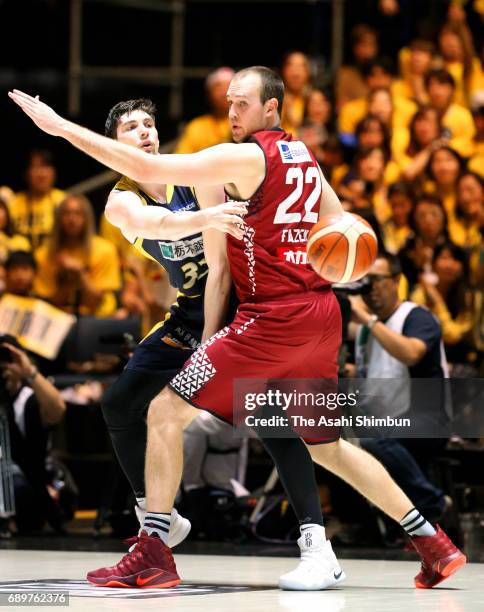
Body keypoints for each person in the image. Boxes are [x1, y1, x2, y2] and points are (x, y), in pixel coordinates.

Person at [10, 68, 466, 591]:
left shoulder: (243, 157)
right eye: (228, 103)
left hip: (265, 320)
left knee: (165, 411)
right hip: (317, 313)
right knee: (325, 444)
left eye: (241, 104)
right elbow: (340, 223)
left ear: (270, 109)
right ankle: (432, 540)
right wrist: (331, 254)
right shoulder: (304, 157)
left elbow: (146, 167)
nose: (230, 113)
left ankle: (155, 549)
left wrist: (59, 126)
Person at [350, 253, 450, 530]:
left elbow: (411, 353)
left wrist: (368, 320)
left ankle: (432, 502)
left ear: (396, 281)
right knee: (332, 439)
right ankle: (359, 522)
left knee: (374, 440)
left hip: (428, 420)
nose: (370, 288)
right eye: (363, 282)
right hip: (388, 418)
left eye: (376, 280)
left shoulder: (416, 316)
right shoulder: (363, 330)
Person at [0, 334, 66, 533]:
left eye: (8, 360)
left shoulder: (29, 398)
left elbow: (57, 411)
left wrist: (29, 371)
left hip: (27, 481)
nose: (3, 367)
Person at [33, 194, 122, 317]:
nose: (72, 219)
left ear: (87, 218)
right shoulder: (43, 254)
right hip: (57, 318)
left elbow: (95, 301)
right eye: (66, 213)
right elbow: (50, 302)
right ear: (58, 219)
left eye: (78, 213)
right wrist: (68, 279)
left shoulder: (105, 250)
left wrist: (80, 273)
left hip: (98, 318)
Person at [9, 150, 66, 250]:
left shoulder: (64, 202)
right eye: (35, 167)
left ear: (54, 172)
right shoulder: (12, 202)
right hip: (20, 262)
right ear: (26, 173)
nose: (41, 174)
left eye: (46, 167)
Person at [175, 67, 234, 154]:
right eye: (218, 87)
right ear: (208, 94)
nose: (223, 93)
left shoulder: (246, 124)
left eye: (228, 87)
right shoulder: (197, 126)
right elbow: (181, 157)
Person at [425, 69, 475, 158]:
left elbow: (469, 143)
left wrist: (444, 145)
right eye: (431, 86)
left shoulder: (463, 115)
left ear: (452, 89)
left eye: (442, 85)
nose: (436, 91)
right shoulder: (422, 115)